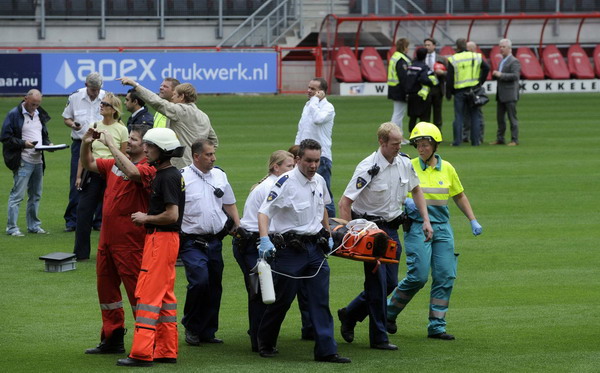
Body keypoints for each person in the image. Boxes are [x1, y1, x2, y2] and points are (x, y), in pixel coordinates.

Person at [337, 122, 433, 350]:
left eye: (400, 143)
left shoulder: (404, 163)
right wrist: (353, 235)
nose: (398, 147)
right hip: (371, 232)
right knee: (378, 285)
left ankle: (350, 314)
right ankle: (379, 338)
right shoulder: (367, 167)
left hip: (391, 230)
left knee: (389, 283)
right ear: (382, 142)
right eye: (394, 144)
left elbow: (416, 189)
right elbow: (345, 202)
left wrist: (426, 220)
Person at [256, 139, 350, 364]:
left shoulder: (318, 180)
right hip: (290, 250)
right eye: (308, 160)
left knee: (319, 300)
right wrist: (264, 240)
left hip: (315, 249)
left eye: (317, 161)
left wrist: (327, 234)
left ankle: (327, 350)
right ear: (298, 159)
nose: (313, 165)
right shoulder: (284, 182)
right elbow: (264, 212)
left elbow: (323, 208)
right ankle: (265, 341)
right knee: (282, 299)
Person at [386, 122, 483, 340]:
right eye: (418, 144)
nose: (421, 148)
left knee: (445, 275)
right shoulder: (407, 166)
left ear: (435, 145)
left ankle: (437, 325)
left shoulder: (447, 168)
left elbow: (459, 195)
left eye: (425, 144)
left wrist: (472, 220)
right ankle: (388, 312)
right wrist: (406, 204)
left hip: (442, 228)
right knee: (418, 276)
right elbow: (394, 194)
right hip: (417, 227)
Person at [81, 125, 156, 355]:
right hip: (107, 241)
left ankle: (147, 342)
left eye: (133, 139)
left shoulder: (148, 169)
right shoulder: (115, 164)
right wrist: (85, 143)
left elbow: (132, 173)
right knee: (107, 293)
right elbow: (89, 164)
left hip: (131, 243)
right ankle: (112, 338)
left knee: (138, 295)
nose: (129, 142)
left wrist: (111, 146)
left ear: (145, 146)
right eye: (129, 139)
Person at [116, 128, 185, 367]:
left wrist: (146, 218)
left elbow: (171, 215)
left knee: (148, 295)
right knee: (165, 296)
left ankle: (141, 353)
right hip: (165, 241)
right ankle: (166, 350)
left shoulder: (166, 177)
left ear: (163, 150)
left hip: (161, 240)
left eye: (150, 146)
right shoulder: (168, 174)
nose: (145, 149)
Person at [179, 139, 241, 346]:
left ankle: (208, 330)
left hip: (215, 241)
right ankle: (191, 325)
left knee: (214, 285)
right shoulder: (182, 178)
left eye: (214, 154)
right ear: (196, 156)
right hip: (191, 241)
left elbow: (229, 202)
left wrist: (237, 225)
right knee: (199, 281)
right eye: (208, 155)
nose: (213, 158)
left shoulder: (220, 175)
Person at [232, 150, 295, 352]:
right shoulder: (272, 186)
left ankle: (258, 335)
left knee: (261, 290)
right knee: (261, 291)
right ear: (276, 167)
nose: (292, 171)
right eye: (288, 167)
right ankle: (259, 339)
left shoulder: (270, 184)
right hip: (252, 244)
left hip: (253, 242)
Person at [73, 93, 128, 261]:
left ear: (114, 110)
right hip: (93, 172)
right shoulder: (94, 125)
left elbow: (124, 156)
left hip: (112, 174)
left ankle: (112, 251)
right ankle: (80, 253)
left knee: (111, 214)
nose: (101, 105)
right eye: (102, 103)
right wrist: (78, 176)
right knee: (83, 212)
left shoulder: (122, 129)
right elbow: (86, 153)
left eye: (105, 104)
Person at [119, 77, 218, 169]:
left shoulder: (180, 111)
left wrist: (135, 85)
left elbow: (157, 102)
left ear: (182, 96)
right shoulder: (204, 116)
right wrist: (202, 156)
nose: (172, 98)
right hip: (198, 166)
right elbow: (213, 141)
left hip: (181, 166)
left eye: (174, 95)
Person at [1, 89, 52, 236]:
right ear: (25, 99)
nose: (34, 107)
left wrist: (48, 144)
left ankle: (34, 226)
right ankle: (12, 228)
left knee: (36, 194)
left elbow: (43, 134)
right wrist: (24, 143)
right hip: (23, 159)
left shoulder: (39, 114)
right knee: (17, 194)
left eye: (37, 104)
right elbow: (5, 137)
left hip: (38, 160)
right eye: (32, 104)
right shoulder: (13, 114)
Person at [62, 72, 105, 232]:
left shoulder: (106, 97)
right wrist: (73, 125)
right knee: (77, 181)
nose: (95, 92)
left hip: (100, 145)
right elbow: (66, 118)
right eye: (93, 89)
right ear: (87, 85)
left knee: (101, 180)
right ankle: (72, 221)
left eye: (97, 89)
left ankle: (98, 221)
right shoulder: (75, 97)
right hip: (80, 144)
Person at [294, 77, 336, 217]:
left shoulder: (328, 107)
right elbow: (302, 129)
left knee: (324, 195)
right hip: (304, 156)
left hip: (321, 157)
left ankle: (331, 227)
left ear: (321, 92)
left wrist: (314, 101)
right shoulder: (308, 105)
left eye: (313, 89)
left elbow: (318, 120)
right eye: (308, 87)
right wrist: (295, 149)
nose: (309, 91)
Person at [446, 38, 489, 146]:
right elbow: (487, 68)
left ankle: (457, 141)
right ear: (465, 45)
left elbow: (449, 78)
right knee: (475, 116)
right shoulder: (476, 56)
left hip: (459, 91)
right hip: (474, 90)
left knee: (459, 117)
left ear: (457, 47)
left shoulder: (453, 59)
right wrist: (480, 82)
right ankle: (476, 141)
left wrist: (449, 92)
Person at [491, 38, 521, 146]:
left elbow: (515, 76)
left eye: (503, 47)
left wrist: (500, 75)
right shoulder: (501, 61)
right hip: (501, 94)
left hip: (510, 94)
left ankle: (515, 139)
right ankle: (500, 138)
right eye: (500, 47)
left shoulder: (514, 61)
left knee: (512, 118)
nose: (501, 49)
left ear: (509, 48)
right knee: (500, 118)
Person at [406, 47, 439, 133]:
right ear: (425, 56)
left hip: (411, 94)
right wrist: (432, 82)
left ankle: (411, 136)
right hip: (421, 94)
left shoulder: (411, 66)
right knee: (424, 117)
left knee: (412, 117)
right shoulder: (423, 67)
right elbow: (423, 79)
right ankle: (422, 136)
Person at [463, 41, 486, 144]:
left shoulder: (477, 58)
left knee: (477, 114)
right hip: (466, 88)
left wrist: (480, 82)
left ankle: (479, 136)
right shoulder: (468, 58)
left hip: (475, 90)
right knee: (466, 114)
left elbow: (486, 68)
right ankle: (466, 136)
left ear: (473, 49)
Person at [387, 38, 411, 135]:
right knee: (398, 114)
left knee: (398, 113)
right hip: (399, 89)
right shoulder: (401, 59)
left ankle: (399, 136)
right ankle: (392, 135)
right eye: (407, 46)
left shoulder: (395, 56)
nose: (408, 49)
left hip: (394, 88)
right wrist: (408, 90)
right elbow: (403, 77)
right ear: (404, 47)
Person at [423, 38, 447, 129]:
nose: (427, 47)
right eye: (425, 45)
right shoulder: (421, 57)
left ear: (434, 46)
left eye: (429, 45)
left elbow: (449, 73)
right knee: (425, 112)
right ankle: (426, 133)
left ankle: (437, 133)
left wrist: (442, 73)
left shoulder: (441, 59)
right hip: (425, 88)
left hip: (437, 87)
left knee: (437, 112)